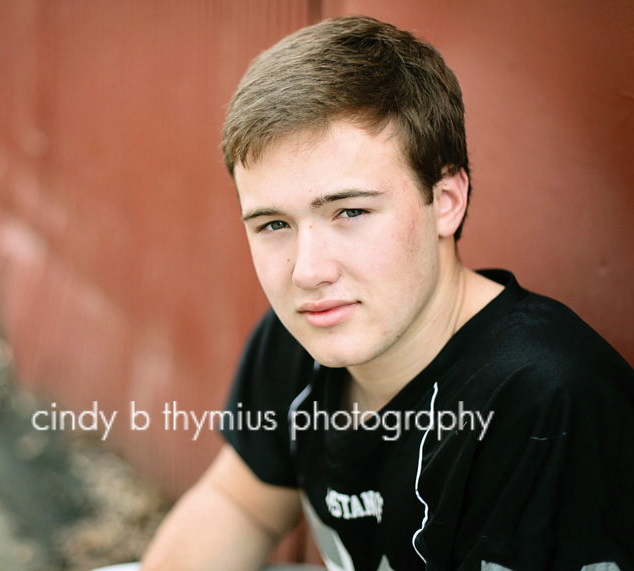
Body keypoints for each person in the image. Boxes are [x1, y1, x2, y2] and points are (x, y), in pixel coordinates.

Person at [141, 15, 634, 571]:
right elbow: (241, 505)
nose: (307, 272)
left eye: (349, 212)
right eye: (274, 224)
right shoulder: (308, 327)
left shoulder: (546, 402)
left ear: (446, 200)